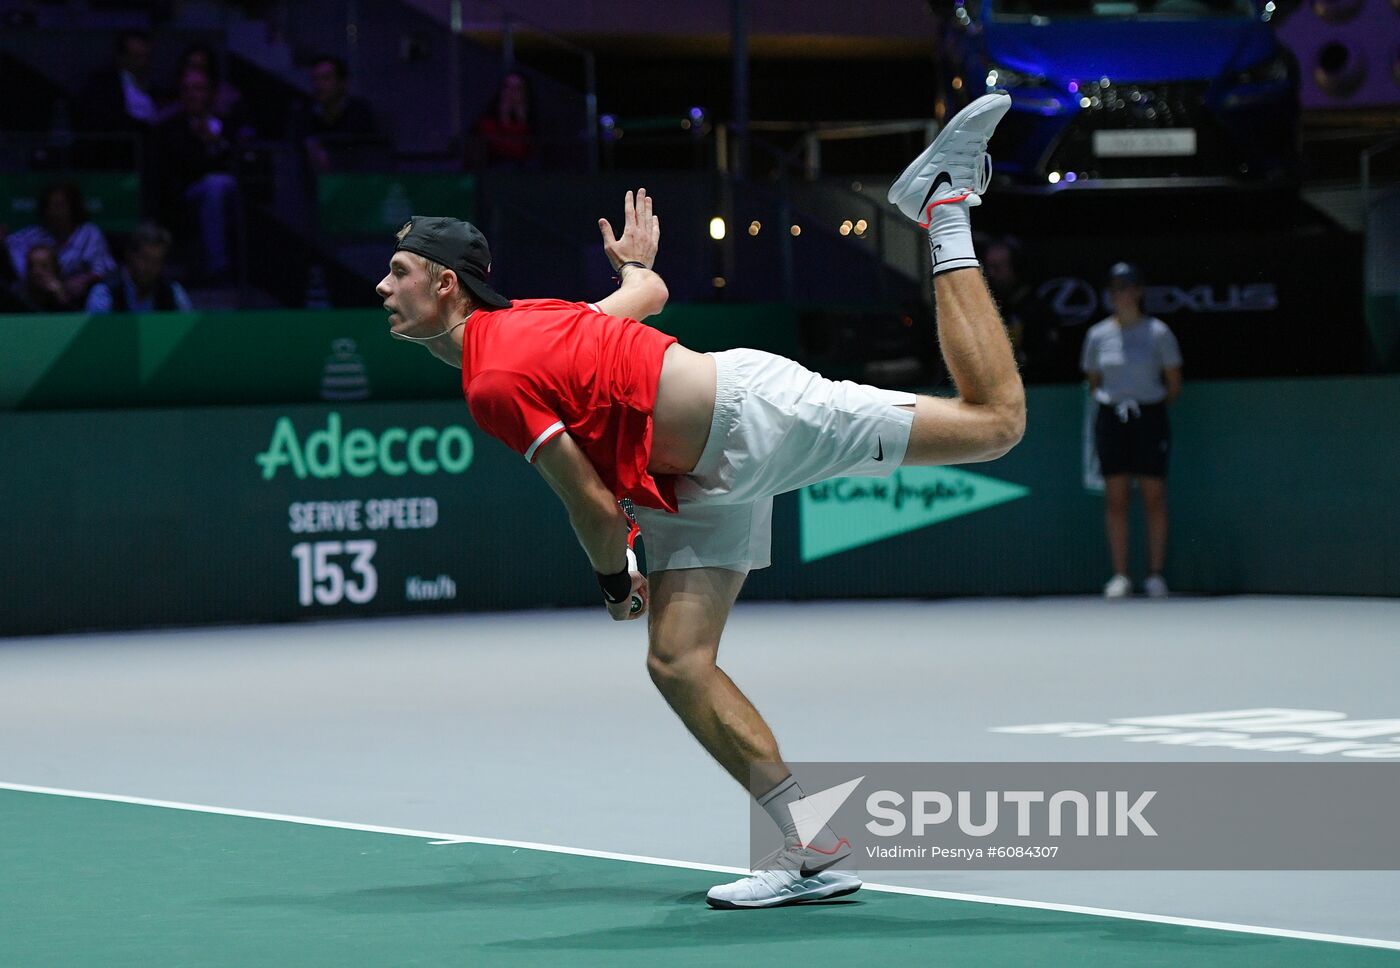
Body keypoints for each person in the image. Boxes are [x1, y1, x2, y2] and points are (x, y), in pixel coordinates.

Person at [378, 93, 1024, 909]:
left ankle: (941, 206)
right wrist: (636, 268)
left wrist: (615, 583)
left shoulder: (495, 377)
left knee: (994, 423)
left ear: (443, 284)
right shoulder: (532, 325)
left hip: (750, 417)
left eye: (398, 271)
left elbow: (594, 508)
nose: (381, 284)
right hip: (691, 481)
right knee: (678, 660)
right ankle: (810, 842)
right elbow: (646, 299)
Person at [1080, 262, 1183, 599]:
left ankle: (1155, 575)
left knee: (1154, 497)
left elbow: (1173, 384)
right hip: (1111, 419)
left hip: (1150, 418)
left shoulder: (1159, 333)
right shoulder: (1097, 335)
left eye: (1126, 287)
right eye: (1114, 288)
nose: (1120, 294)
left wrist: (1146, 406)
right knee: (1116, 499)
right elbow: (1094, 383)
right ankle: (1120, 576)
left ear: (1139, 292)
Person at [152, 66, 239, 281]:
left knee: (223, 184)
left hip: (231, 197)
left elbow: (240, 163)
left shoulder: (227, 126)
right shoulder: (170, 129)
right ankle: (219, 268)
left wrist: (217, 143)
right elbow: (184, 167)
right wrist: (206, 145)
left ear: (211, 93)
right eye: (187, 89)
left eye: (199, 88)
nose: (193, 94)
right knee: (216, 184)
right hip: (184, 198)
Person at [5, 183, 116, 305]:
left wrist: (84, 280)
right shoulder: (32, 235)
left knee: (99, 292)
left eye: (59, 205)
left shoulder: (89, 233)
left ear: (72, 208)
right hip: (37, 293)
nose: (54, 211)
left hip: (79, 295)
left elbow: (106, 268)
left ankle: (94, 324)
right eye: (50, 206)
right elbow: (10, 243)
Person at [294, 55, 380, 174]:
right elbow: (295, 138)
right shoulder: (305, 112)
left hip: (353, 181)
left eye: (326, 78)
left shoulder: (359, 111)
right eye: (315, 79)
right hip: (317, 185)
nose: (318, 85)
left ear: (342, 83)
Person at [85, 222, 193, 313]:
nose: (150, 267)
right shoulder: (105, 293)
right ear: (130, 255)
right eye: (145, 258)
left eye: (156, 261)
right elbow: (96, 335)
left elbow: (189, 331)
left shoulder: (173, 292)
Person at [76, 30, 159, 134]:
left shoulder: (155, 88)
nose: (143, 63)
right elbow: (102, 121)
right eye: (137, 57)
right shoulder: (102, 86)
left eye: (146, 56)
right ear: (121, 57)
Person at [470, 71, 535, 169]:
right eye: (507, 87)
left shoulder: (535, 124)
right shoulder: (484, 123)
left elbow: (529, 154)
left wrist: (522, 122)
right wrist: (504, 118)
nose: (511, 92)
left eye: (518, 88)